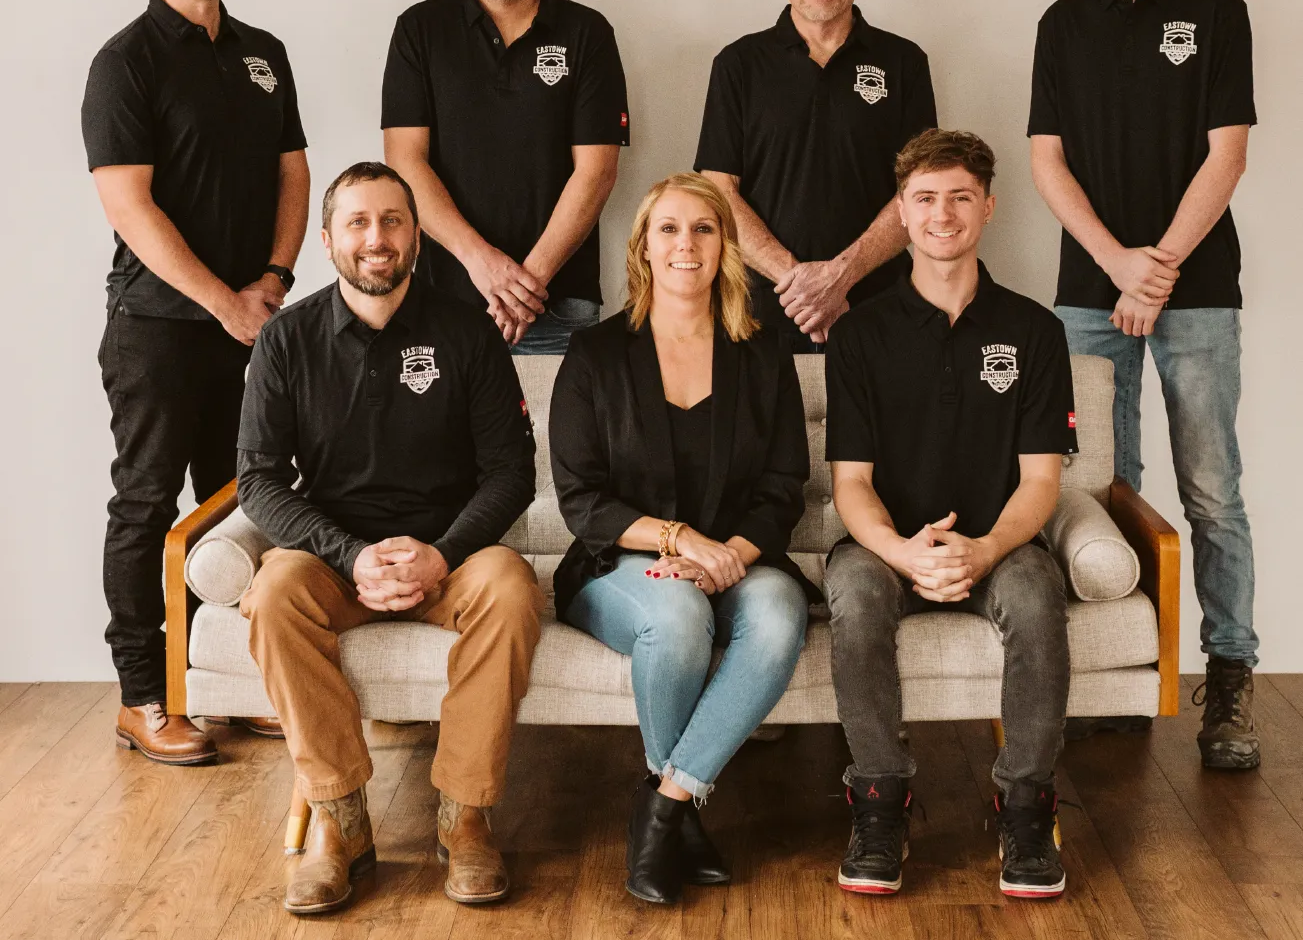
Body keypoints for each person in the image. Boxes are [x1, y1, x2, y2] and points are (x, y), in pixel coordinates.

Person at [236, 163, 541, 914]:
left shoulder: (466, 331)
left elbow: (511, 472)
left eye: (394, 221)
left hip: (452, 555)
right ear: (329, 238)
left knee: (510, 585)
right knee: (272, 592)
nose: (378, 238)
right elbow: (258, 480)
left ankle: (464, 817)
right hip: (337, 558)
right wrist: (351, 555)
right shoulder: (286, 339)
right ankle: (340, 822)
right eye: (360, 222)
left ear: (414, 234)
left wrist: (441, 552)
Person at [1029, 0, 1260, 768]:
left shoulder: (1214, 9)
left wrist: (1156, 264)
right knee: (1096, 485)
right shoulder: (1062, 21)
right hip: (1088, 291)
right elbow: (1046, 160)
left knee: (1211, 487)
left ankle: (1230, 678)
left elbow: (1227, 152)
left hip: (1196, 288)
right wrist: (1116, 263)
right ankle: (1117, 673)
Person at [83, 0, 310, 764]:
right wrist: (225, 302)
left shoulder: (263, 52)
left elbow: (293, 171)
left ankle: (223, 684)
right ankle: (144, 694)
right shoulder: (125, 60)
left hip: (250, 319)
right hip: (157, 326)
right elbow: (129, 205)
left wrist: (275, 281)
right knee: (146, 502)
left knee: (232, 498)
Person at [549, 172, 817, 905]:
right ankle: (680, 817)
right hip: (620, 563)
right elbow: (580, 499)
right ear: (642, 247)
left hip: (739, 555)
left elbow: (782, 484)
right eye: (666, 228)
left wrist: (727, 554)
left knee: (778, 613)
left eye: (702, 227)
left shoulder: (761, 354)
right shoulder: (595, 354)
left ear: (724, 246)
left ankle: (663, 805)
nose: (684, 243)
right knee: (675, 617)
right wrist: (678, 541)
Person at [825, 129, 1077, 899]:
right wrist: (905, 553)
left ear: (989, 208)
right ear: (900, 211)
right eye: (926, 198)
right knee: (857, 593)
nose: (942, 214)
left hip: (998, 543)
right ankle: (878, 800)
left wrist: (986, 548)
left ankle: (1026, 807)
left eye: (960, 197)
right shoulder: (858, 332)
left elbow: (1040, 480)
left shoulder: (1035, 331)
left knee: (1037, 594)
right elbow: (850, 483)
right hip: (887, 543)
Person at [383, 0, 629, 353]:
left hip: (557, 303)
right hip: (445, 297)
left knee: (558, 433)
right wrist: (483, 265)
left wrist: (525, 286)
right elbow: (405, 161)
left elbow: (597, 171)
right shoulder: (421, 30)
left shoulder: (587, 34)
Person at [695, 0, 937, 353]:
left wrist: (840, 277)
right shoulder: (739, 65)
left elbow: (920, 191)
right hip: (762, 310)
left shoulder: (904, 63)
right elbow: (718, 192)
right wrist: (801, 284)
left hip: (879, 306)